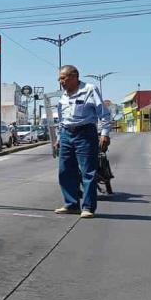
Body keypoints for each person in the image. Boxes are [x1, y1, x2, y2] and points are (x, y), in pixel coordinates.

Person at [54, 65, 111, 218]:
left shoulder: (90, 89)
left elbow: (104, 114)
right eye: (59, 78)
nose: (60, 81)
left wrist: (105, 133)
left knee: (88, 172)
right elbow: (61, 119)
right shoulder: (63, 96)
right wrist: (59, 138)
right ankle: (71, 204)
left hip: (85, 134)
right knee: (65, 171)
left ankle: (88, 208)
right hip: (66, 134)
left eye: (63, 78)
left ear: (74, 77)